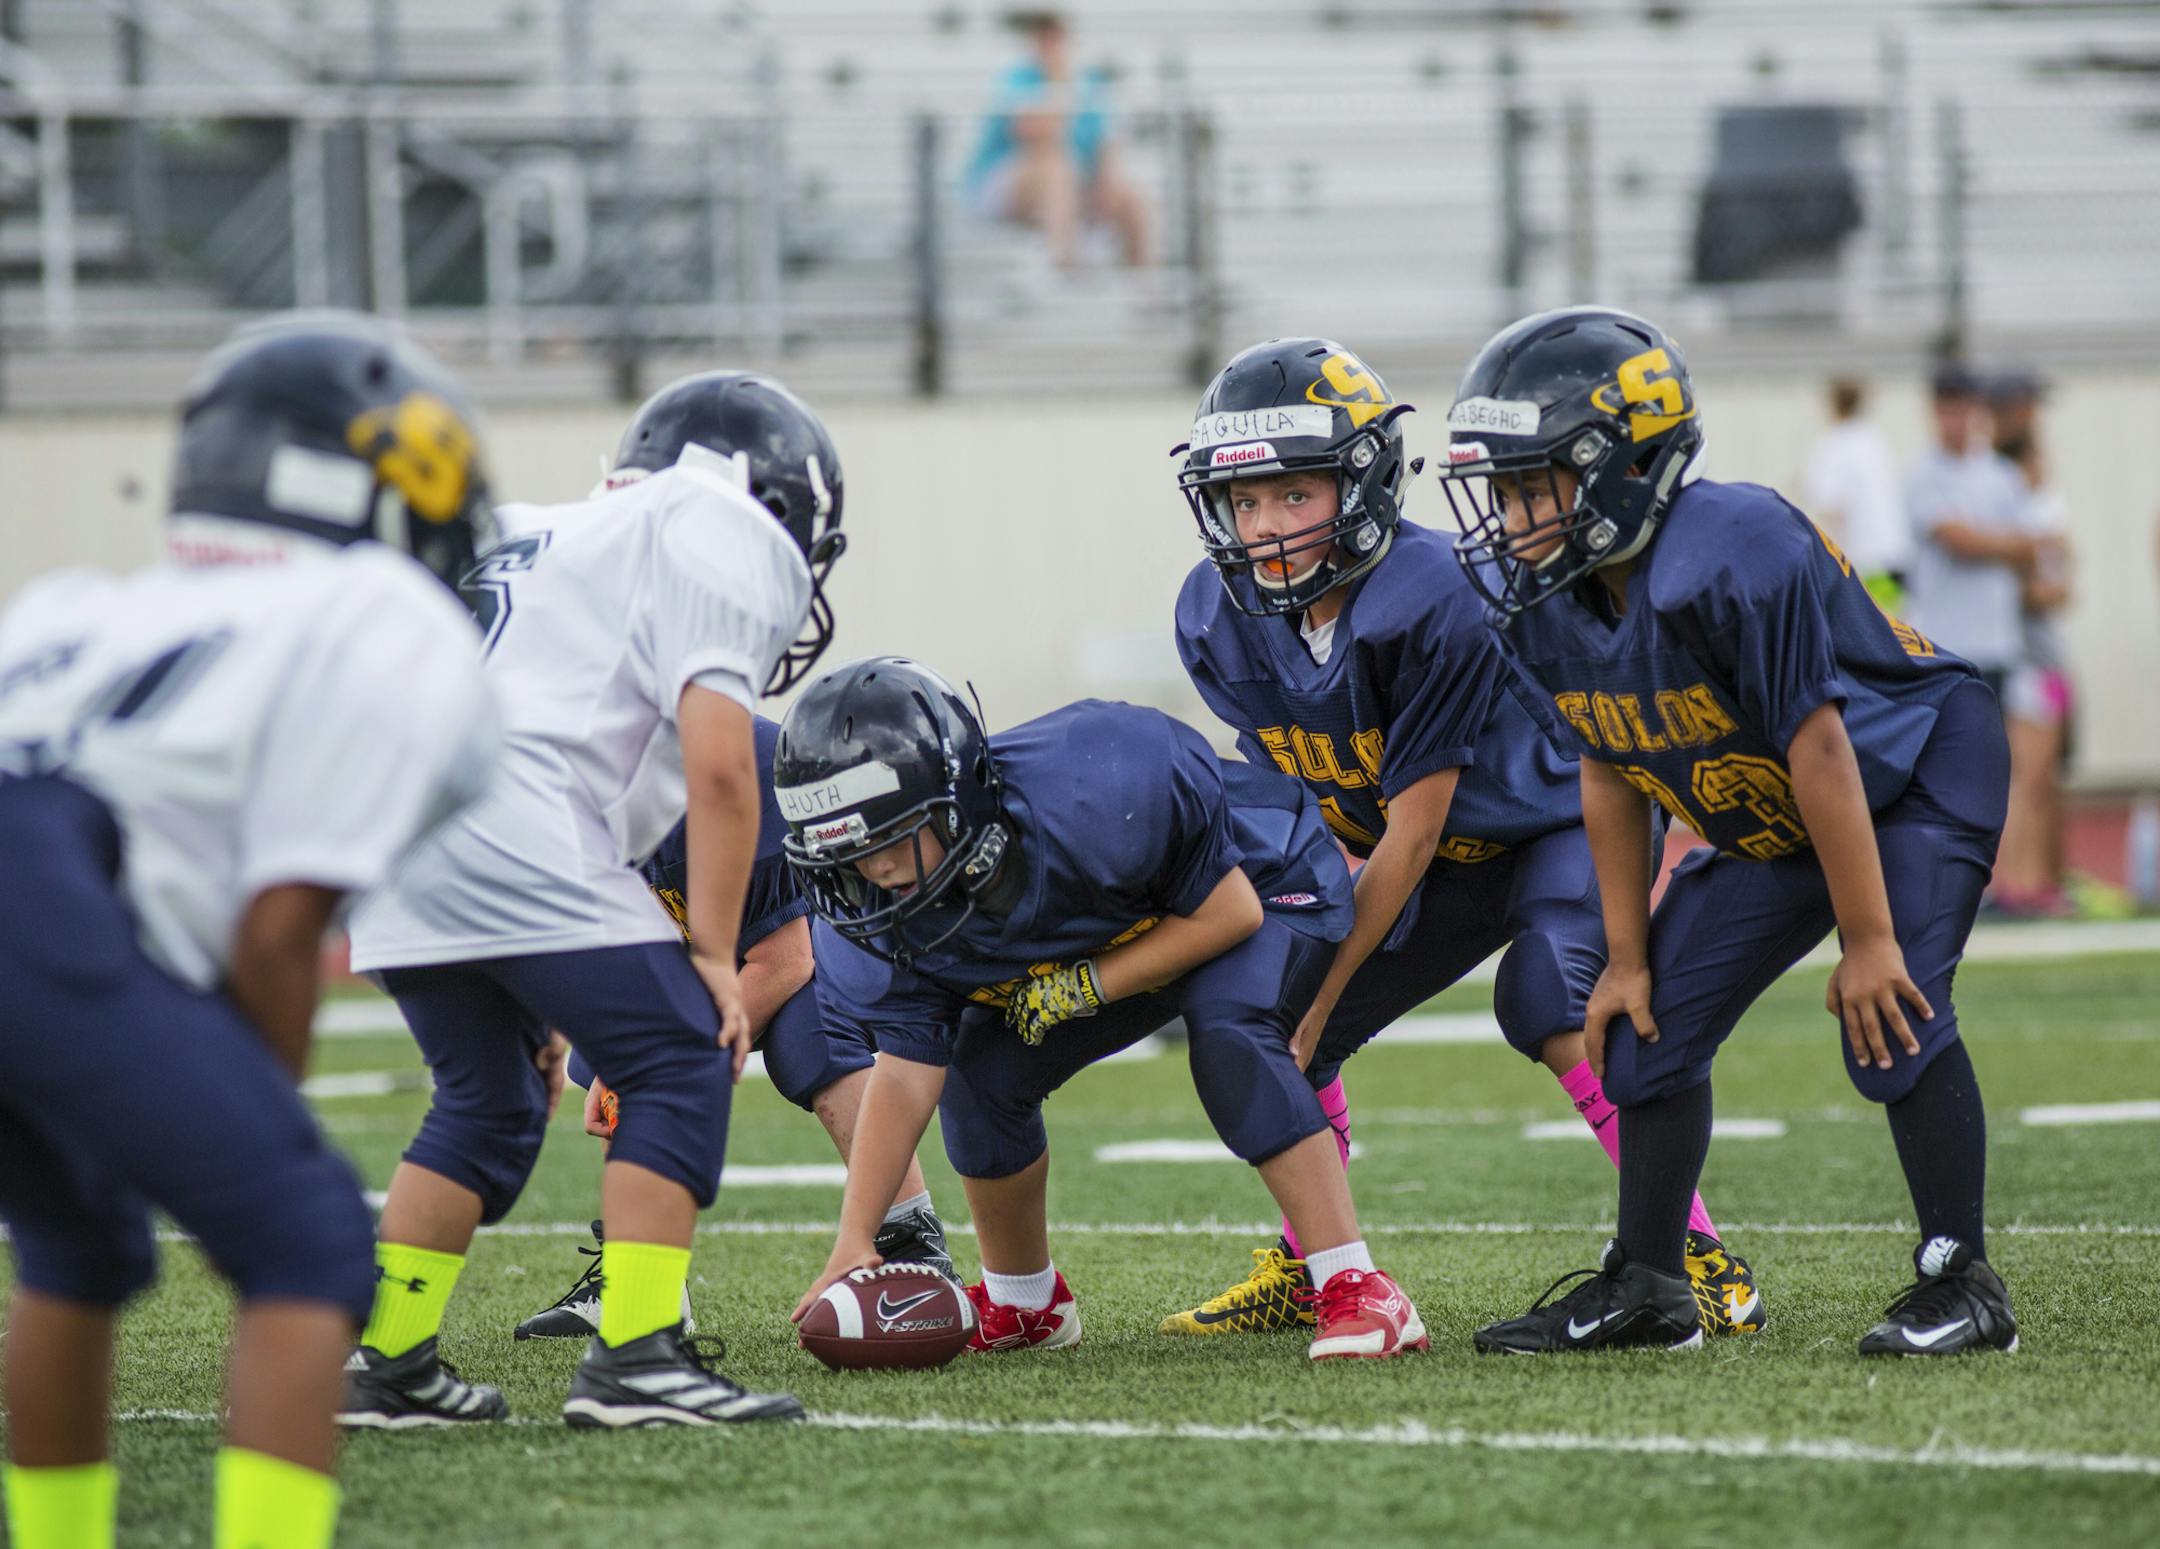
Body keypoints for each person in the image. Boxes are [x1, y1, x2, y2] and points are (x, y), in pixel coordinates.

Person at [0, 314, 500, 1549]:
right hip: (39, 887)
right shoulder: (379, 612)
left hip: (50, 893)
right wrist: (253, 1114)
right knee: (310, 1242)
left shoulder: (72, 605)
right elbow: (283, 927)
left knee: (72, 1243)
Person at [1441, 305, 2016, 1359]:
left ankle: (1963, 1278)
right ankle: (1655, 1285)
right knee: (1639, 1030)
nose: (1511, 517)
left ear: (1621, 469)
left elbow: (1824, 749)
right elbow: (1611, 761)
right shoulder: (1541, 602)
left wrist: (1870, 938)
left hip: (1912, 769)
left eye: (1533, 484)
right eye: (1505, 489)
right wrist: (1623, 957)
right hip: (1777, 805)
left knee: (1892, 1008)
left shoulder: (1737, 546)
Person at [1163, 338, 1759, 1338]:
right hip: (1437, 854)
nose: (1263, 526)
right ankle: (1317, 1261)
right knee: (1280, 1004)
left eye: (1293, 496)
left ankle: (1692, 1255)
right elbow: (1293, 809)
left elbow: (1412, 826)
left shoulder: (1428, 595)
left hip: (1556, 823)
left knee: (1549, 994)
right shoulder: (1216, 615)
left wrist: (1325, 992)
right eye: (1246, 501)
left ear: (1361, 485)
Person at [340, 371, 847, 1430]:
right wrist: (711, 954)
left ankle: (385, 1360)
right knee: (680, 1048)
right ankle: (638, 1358)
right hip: (513, 820)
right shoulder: (718, 523)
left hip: (395, 829)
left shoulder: (532, 530)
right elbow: (719, 768)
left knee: (486, 1100)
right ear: (773, 500)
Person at [783, 659, 1428, 1362]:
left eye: (888, 836)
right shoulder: (874, 917)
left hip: (1260, 887)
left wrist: (1079, 987)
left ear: (955, 796)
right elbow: (906, 1074)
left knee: (1230, 1031)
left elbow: (1229, 912)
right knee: (981, 1069)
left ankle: (1357, 1283)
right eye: (845, 852)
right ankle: (1026, 1299)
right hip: (1115, 936)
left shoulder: (1098, 784)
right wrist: (855, 1235)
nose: (873, 870)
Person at [515, 714, 953, 1341]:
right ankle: (643, 1280)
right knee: (610, 1064)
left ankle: (908, 1239)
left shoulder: (732, 764)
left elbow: (784, 961)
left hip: (831, 928)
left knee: (812, 1037)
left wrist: (667, 1065)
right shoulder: (582, 791)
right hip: (721, 937)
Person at [1987, 370, 2077, 917]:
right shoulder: (2013, 509)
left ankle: (2036, 880)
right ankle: (2013, 884)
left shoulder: (2037, 507)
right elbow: (2033, 587)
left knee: (2043, 777)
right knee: (2028, 774)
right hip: (2030, 656)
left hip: (2049, 656)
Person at [966, 9, 1149, 269]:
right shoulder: (1017, 79)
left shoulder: (1089, 83)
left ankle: (1144, 292)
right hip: (1002, 187)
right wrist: (1059, 83)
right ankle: (1066, 267)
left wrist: (1108, 179)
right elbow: (1036, 135)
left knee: (1133, 199)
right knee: (1056, 168)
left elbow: (1107, 142)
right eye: (1043, 37)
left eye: (1056, 36)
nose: (1050, 44)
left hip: (1071, 185)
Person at [1902, 364, 2035, 702]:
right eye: (1948, 408)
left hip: (1998, 641)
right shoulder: (1922, 474)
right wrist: (2006, 544)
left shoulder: (2001, 475)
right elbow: (1958, 541)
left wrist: (1991, 542)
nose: (1956, 418)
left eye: (1962, 406)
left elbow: (2030, 548)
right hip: (1947, 644)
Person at [1801, 376, 1910, 609]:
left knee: (1870, 631)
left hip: (1863, 562)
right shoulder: (1874, 440)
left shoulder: (1833, 444)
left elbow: (1832, 509)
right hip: (1894, 555)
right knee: (1894, 631)